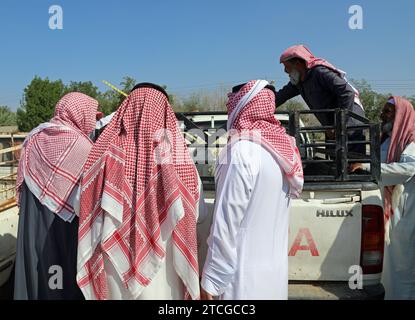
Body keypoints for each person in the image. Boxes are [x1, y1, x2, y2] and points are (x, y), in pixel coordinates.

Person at [76, 83, 206, 300]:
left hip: (113, 267)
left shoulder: (101, 156)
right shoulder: (180, 163)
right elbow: (197, 213)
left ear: (126, 111)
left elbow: (81, 206)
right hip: (165, 274)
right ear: (165, 113)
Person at [200, 80, 304, 300]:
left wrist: (212, 280)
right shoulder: (279, 152)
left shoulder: (240, 152)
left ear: (241, 105)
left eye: (231, 104)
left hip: (242, 282)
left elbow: (227, 226)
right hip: (272, 280)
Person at [14, 92, 99, 300]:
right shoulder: (83, 147)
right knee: (58, 276)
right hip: (61, 225)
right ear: (80, 113)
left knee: (36, 272)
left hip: (32, 219)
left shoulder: (33, 136)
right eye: (91, 115)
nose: (92, 121)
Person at [351, 96, 415, 299]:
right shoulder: (388, 137)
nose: (382, 115)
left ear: (401, 116)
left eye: (388, 111)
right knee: (391, 266)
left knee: (404, 267)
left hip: (405, 211)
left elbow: (407, 169)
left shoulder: (411, 140)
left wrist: (369, 168)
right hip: (390, 208)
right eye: (383, 110)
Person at [276, 44, 366, 156]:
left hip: (349, 122)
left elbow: (347, 93)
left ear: (298, 64)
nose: (285, 71)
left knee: (352, 165)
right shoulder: (298, 81)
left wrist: (338, 124)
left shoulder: (319, 72)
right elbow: (280, 96)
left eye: (287, 67)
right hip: (332, 128)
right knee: (335, 163)